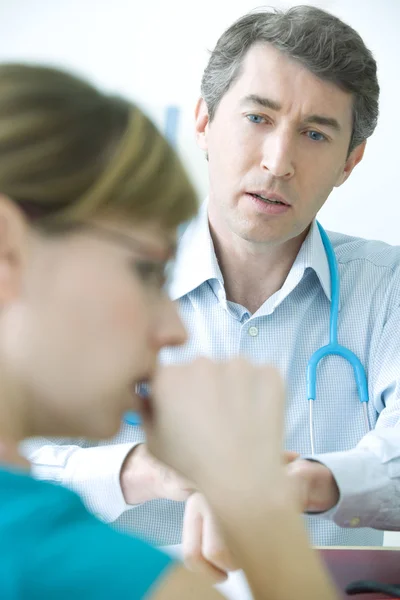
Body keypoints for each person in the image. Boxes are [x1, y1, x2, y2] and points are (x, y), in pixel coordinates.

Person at [24, 4, 400, 581]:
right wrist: (142, 469)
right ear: (203, 122)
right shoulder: (106, 271)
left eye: (315, 133)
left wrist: (304, 483)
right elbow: (20, 464)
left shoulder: (388, 285)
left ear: (351, 161)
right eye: (258, 118)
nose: (278, 163)